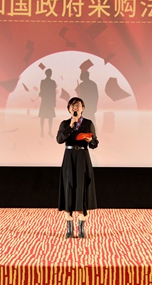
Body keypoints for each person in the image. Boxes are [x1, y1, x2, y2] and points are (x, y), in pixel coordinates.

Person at [56, 97, 98, 238]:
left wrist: (91, 140)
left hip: (83, 158)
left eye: (78, 105)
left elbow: (95, 144)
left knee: (81, 188)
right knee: (68, 187)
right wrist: (70, 126)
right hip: (69, 158)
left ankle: (81, 227)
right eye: (73, 106)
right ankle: (69, 227)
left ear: (82, 108)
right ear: (69, 109)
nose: (75, 108)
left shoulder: (88, 123)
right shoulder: (65, 123)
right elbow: (59, 139)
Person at [38, 69, 57, 137]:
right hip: (47, 101)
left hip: (47, 101)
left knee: (48, 117)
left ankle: (46, 131)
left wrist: (54, 101)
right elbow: (53, 92)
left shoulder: (46, 82)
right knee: (45, 117)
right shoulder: (50, 82)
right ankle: (43, 131)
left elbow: (53, 92)